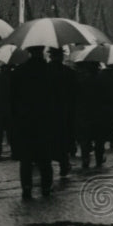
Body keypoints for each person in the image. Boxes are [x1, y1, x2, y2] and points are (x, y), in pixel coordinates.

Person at [10, 46, 55, 199]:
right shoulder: (49, 72)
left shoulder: (20, 71)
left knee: (26, 158)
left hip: (25, 120)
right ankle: (46, 186)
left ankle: (27, 187)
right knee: (45, 156)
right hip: (45, 119)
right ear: (42, 51)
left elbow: (12, 98)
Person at [47, 47, 76, 177]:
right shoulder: (69, 72)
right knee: (64, 138)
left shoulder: (44, 71)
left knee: (49, 139)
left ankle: (48, 165)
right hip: (65, 111)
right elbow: (76, 93)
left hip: (47, 110)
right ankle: (64, 163)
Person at [74, 60, 108, 169]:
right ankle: (99, 158)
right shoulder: (102, 81)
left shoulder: (81, 81)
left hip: (85, 114)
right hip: (100, 114)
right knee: (99, 139)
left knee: (85, 138)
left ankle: (85, 158)